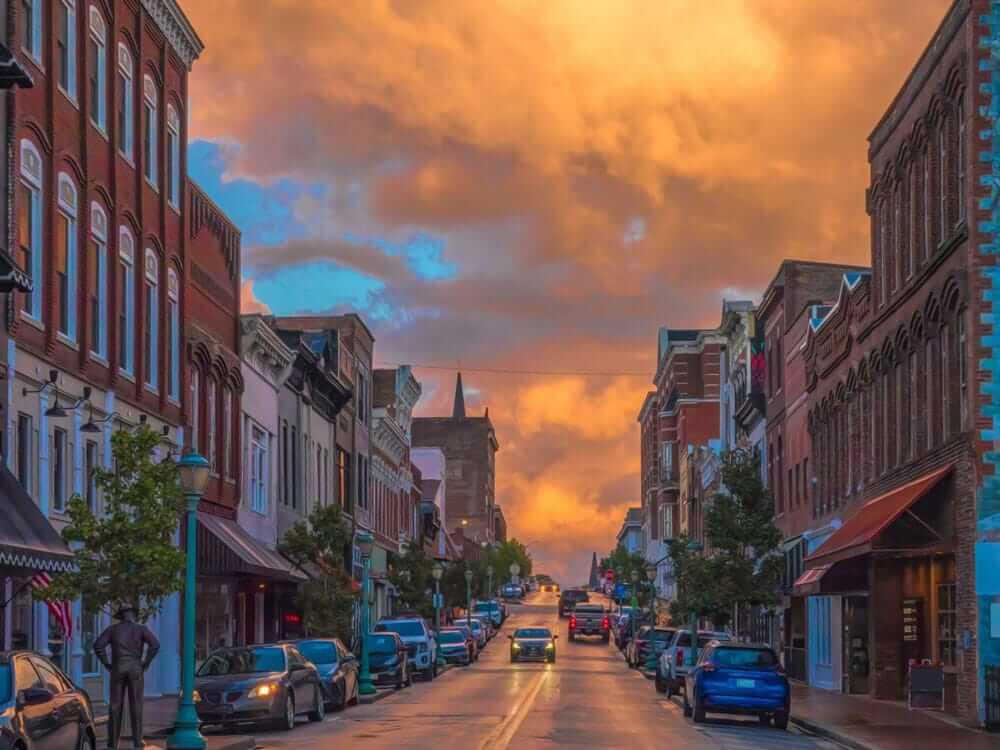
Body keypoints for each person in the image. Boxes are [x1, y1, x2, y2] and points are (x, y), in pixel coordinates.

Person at [93, 605, 160, 750]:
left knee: (115, 706)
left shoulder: (113, 630)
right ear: (133, 615)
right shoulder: (141, 629)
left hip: (118, 667)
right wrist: (145, 663)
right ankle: (137, 742)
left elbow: (98, 645)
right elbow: (155, 645)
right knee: (136, 705)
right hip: (135, 668)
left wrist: (107, 664)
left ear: (121, 616)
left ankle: (112, 743)